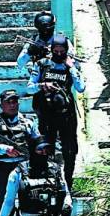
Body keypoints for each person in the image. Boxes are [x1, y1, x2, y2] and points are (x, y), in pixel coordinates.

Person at [27, 33, 84, 188]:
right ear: (52, 50)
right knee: (46, 147)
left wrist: (71, 68)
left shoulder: (71, 66)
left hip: (66, 115)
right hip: (47, 115)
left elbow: (81, 88)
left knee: (70, 150)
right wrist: (42, 85)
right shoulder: (42, 64)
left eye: (62, 51)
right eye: (56, 51)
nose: (59, 54)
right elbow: (29, 88)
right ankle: (49, 181)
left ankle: (68, 181)